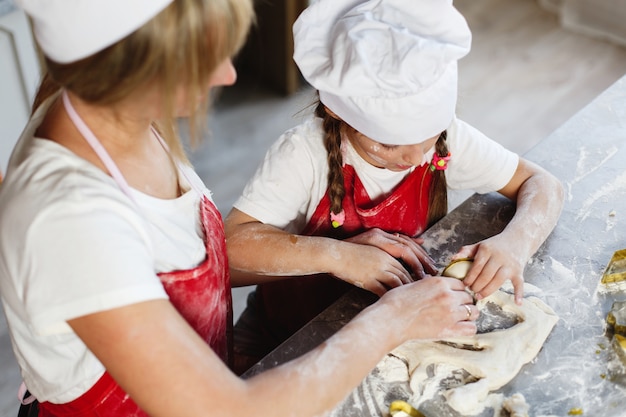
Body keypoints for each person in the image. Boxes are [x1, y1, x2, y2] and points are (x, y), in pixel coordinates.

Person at [0, 1, 481, 416]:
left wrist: (337, 253)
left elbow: (207, 270)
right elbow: (227, 410)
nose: (227, 75)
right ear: (130, 64)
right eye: (203, 54)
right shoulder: (69, 222)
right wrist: (392, 320)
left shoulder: (113, 116)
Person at [224, 0, 565, 372]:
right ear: (338, 113)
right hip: (282, 335)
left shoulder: (445, 142)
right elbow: (230, 253)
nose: (414, 158)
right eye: (387, 144)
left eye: (428, 138)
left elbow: (542, 183)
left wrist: (515, 244)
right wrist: (336, 255)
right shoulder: (302, 155)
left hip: (378, 339)